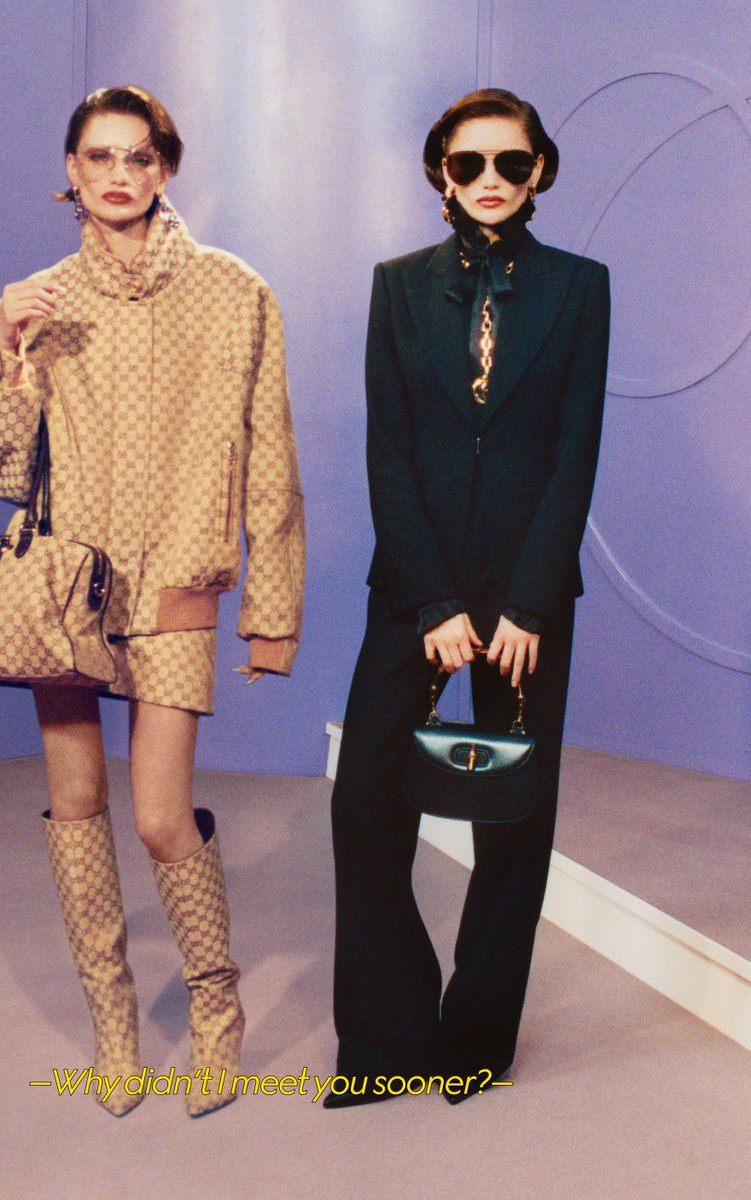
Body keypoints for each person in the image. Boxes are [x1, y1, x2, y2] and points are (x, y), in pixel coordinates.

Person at [0, 85, 304, 1117]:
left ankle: (215, 1005)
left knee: (159, 817)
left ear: (166, 167)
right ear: (69, 171)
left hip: (177, 578)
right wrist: (6, 349)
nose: (119, 174)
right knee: (76, 807)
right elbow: (1, 469)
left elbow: (272, 461)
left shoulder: (235, 291)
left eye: (139, 156)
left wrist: (272, 611)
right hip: (65, 591)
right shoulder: (41, 298)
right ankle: (112, 1022)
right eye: (100, 156)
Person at [326, 88, 609, 1107]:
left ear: (541, 171)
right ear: (439, 173)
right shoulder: (398, 286)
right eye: (469, 163)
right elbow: (389, 451)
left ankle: (476, 1042)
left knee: (514, 818)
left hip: (530, 595)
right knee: (365, 801)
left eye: (512, 163)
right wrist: (434, 602)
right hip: (419, 587)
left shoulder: (581, 288)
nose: (491, 180)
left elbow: (575, 452)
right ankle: (386, 1039)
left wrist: (527, 603)